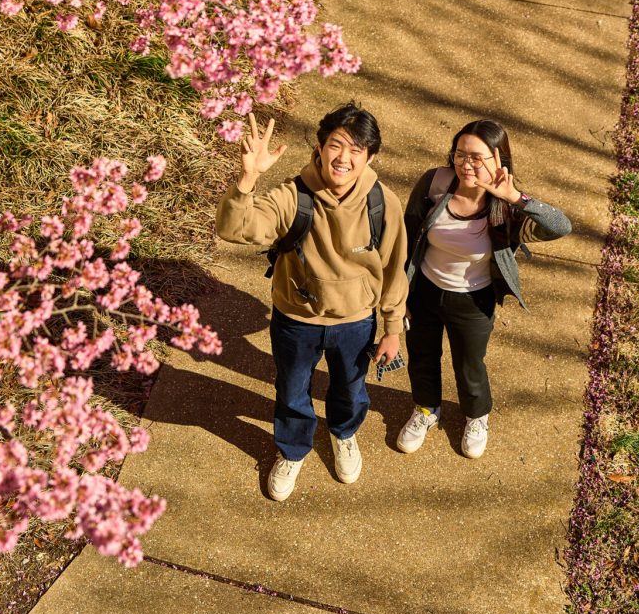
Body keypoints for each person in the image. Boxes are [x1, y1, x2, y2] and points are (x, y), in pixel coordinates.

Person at [216, 103, 408, 501]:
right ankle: (293, 450)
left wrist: (392, 329)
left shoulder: (383, 204)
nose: (344, 158)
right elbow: (235, 229)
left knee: (351, 388)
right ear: (320, 148)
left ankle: (343, 434)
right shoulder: (293, 196)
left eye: (357, 150)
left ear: (370, 157)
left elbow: (393, 269)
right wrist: (247, 181)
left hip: (355, 322)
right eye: (336, 145)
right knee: (292, 390)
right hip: (296, 319)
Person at [399, 119, 571, 460]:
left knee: (469, 364)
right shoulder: (436, 182)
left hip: (473, 300)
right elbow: (407, 234)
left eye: (477, 157)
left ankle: (477, 417)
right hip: (425, 291)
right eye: (460, 154)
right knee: (421, 355)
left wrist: (515, 197)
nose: (466, 164)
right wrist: (399, 292)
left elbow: (560, 227)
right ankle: (425, 409)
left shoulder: (507, 210)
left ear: (499, 161)